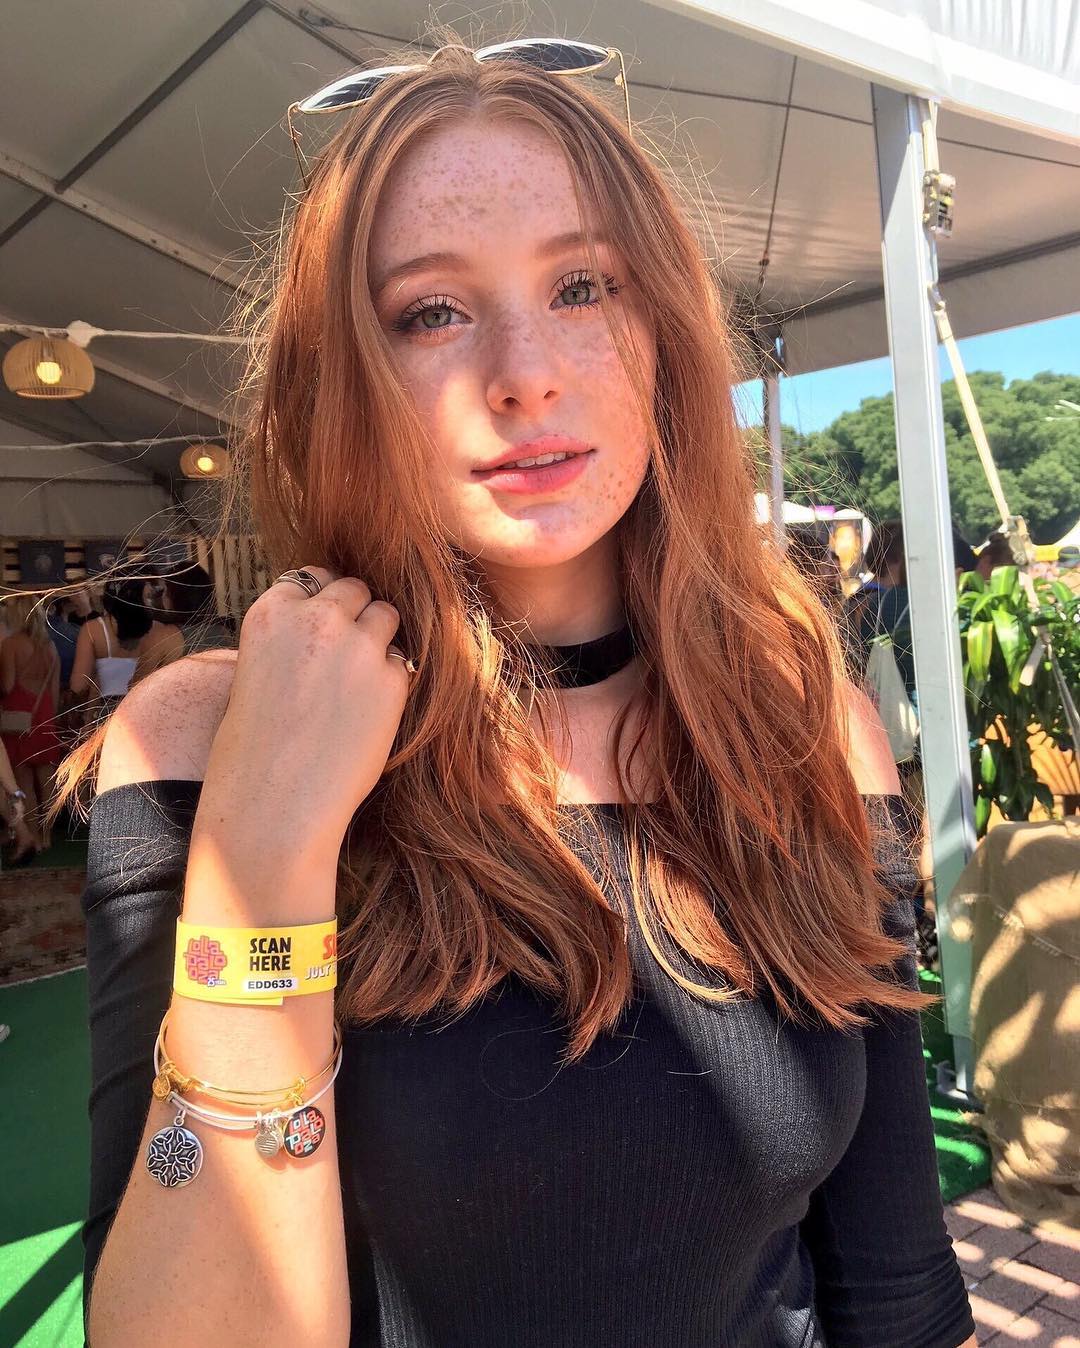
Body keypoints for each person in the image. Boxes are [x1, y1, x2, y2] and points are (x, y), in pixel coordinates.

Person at [53, 35, 976, 1348]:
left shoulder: (803, 723)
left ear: (662, 330)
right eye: (430, 310)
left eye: (583, 285)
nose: (526, 370)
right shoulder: (208, 740)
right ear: (340, 378)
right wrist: (267, 849)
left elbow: (897, 1290)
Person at [0, 592, 63, 860]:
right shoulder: (50, 647)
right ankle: (47, 835)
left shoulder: (11, 645)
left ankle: (33, 836)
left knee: (24, 779)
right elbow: (55, 691)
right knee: (47, 781)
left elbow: (7, 685)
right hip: (45, 713)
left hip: (20, 716)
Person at [69, 572, 181, 719]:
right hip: (149, 713)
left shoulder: (93, 629)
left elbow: (78, 686)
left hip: (106, 715)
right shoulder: (163, 632)